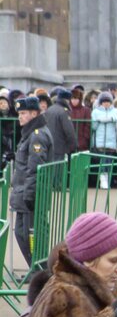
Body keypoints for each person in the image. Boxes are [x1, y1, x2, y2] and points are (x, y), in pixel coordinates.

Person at [9, 96, 54, 267]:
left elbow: (35, 168)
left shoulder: (37, 135)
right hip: (24, 193)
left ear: (34, 113)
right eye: (19, 113)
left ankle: (39, 269)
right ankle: (35, 268)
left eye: (24, 113)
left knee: (32, 234)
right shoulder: (30, 133)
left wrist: (29, 194)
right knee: (22, 233)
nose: (20, 116)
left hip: (31, 194)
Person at [42, 88, 76, 162]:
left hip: (48, 145)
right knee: (59, 171)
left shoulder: (49, 109)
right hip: (60, 147)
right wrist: (73, 146)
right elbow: (69, 131)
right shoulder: (63, 111)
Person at [68, 87, 92, 152]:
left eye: (76, 98)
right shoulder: (66, 110)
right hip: (68, 143)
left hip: (82, 143)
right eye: (72, 98)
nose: (74, 101)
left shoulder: (86, 110)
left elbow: (88, 125)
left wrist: (84, 139)